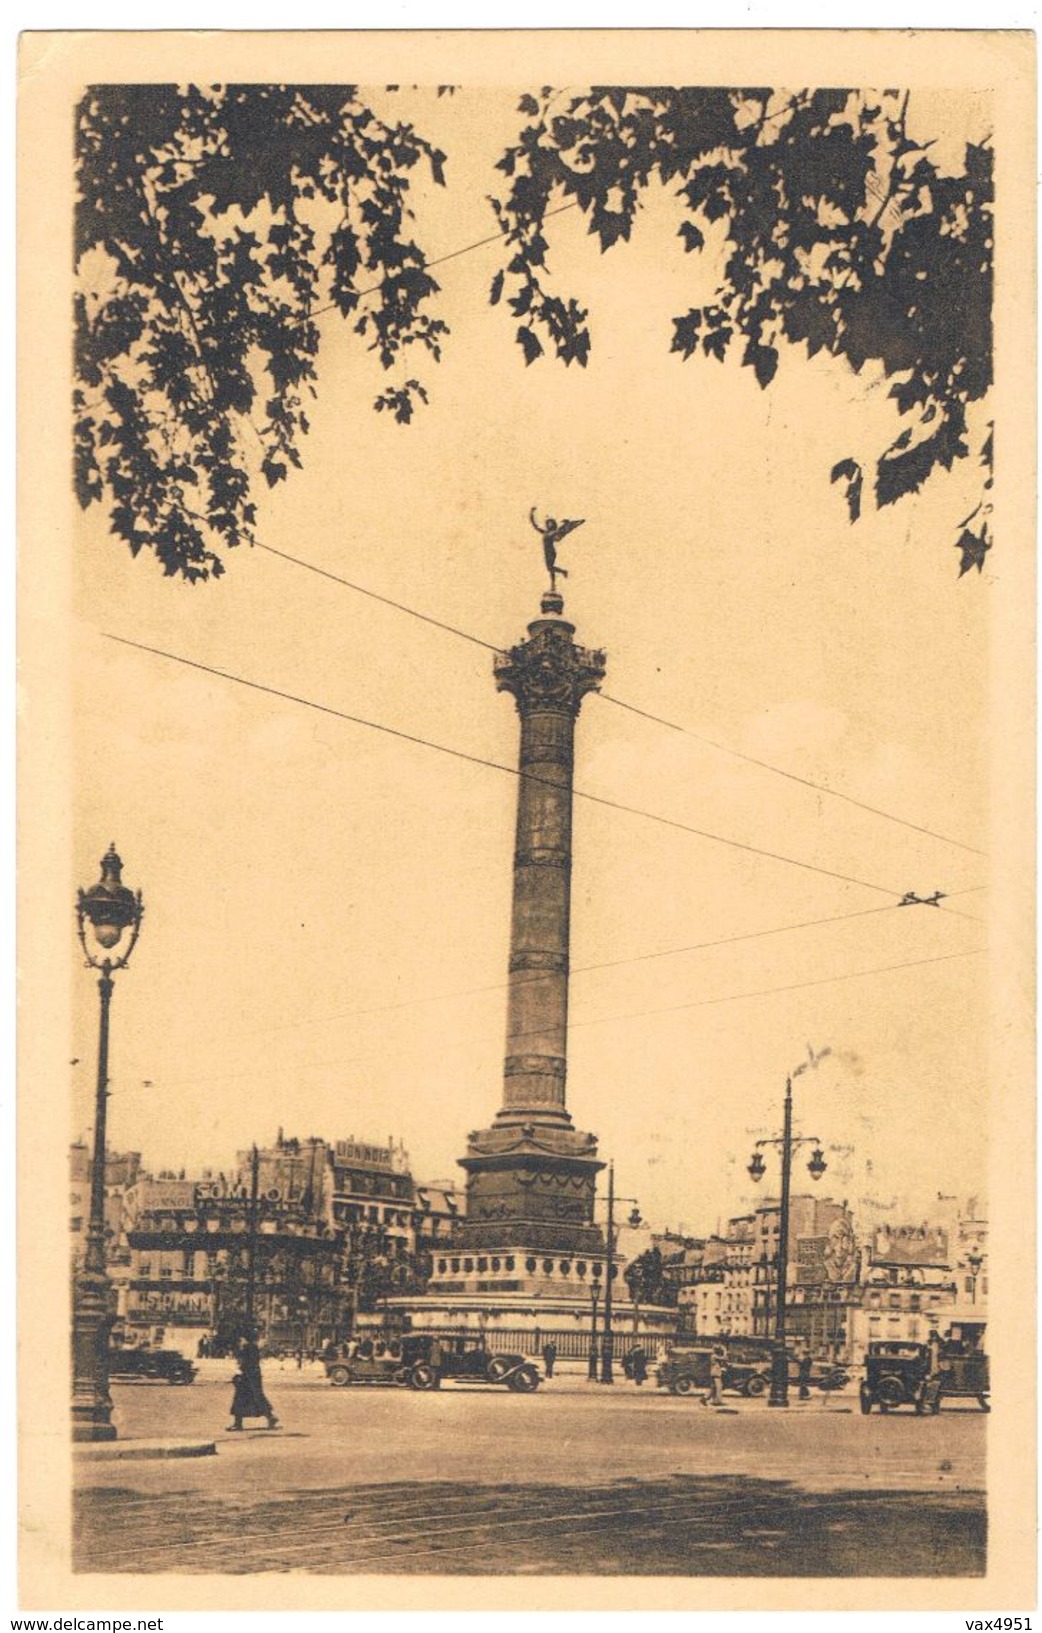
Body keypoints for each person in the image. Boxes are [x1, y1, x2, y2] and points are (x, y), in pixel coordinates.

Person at [228, 1334, 279, 1431]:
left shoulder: (247, 1348)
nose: (240, 1341)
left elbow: (245, 1363)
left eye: (241, 1338)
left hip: (247, 1378)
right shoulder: (253, 1348)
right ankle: (271, 1417)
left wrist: (238, 1373)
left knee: (239, 1399)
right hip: (254, 1377)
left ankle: (238, 1424)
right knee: (258, 1398)